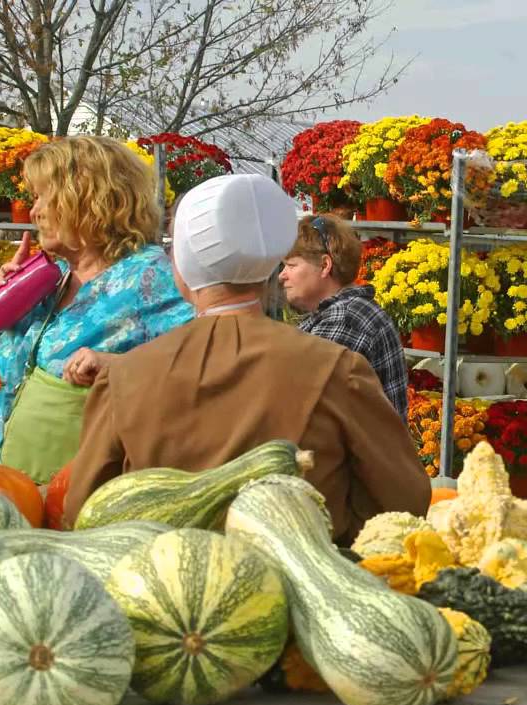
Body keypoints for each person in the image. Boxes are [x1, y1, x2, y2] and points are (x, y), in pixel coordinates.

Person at [62, 174, 429, 542]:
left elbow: (84, 510)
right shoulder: (336, 368)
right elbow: (405, 500)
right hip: (294, 586)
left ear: (184, 269)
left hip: (157, 584)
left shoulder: (127, 375)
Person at [0, 136, 192, 486]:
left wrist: (118, 366)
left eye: (41, 197)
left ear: (84, 198)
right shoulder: (48, 282)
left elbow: (203, 366)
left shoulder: (150, 277)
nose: (34, 211)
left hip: (89, 497)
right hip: (13, 482)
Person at [278, 215, 408, 418]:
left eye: (291, 265)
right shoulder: (347, 311)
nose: (282, 275)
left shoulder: (345, 319)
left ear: (324, 265)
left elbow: (301, 406)